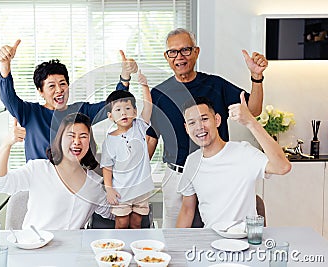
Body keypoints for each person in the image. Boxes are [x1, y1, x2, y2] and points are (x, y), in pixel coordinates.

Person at [146, 28, 268, 228]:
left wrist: (256, 78)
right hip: (176, 175)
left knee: (218, 229)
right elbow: (152, 138)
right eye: (173, 52)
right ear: (166, 56)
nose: (179, 57)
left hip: (215, 172)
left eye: (185, 50)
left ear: (196, 52)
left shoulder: (216, 85)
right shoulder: (159, 93)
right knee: (175, 234)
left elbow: (253, 110)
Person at [0, 39, 137, 161]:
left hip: (75, 182)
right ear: (41, 92)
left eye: (63, 84)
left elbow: (114, 105)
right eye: (51, 86)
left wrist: (125, 76)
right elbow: (7, 98)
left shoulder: (81, 111)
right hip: (41, 184)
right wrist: (5, 65)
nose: (59, 90)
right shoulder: (30, 113)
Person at [176, 94, 291, 228]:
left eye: (204, 119)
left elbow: (282, 167)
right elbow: (187, 210)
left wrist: (251, 122)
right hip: (212, 240)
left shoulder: (243, 152)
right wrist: (174, 243)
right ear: (186, 129)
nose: (199, 127)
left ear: (217, 120)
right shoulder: (192, 162)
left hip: (246, 239)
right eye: (192, 123)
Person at [0, 113, 112, 230]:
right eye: (71, 135)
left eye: (83, 136)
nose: (77, 141)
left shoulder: (95, 183)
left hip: (74, 250)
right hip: (35, 248)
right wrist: (6, 144)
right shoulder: (38, 169)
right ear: (60, 139)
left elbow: (113, 212)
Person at [101, 71, 154, 229]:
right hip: (121, 191)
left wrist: (144, 86)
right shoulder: (109, 140)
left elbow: (148, 106)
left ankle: (134, 251)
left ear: (135, 112)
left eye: (127, 108)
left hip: (141, 190)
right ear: (111, 116)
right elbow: (107, 167)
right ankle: (119, 252)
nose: (123, 113)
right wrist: (109, 190)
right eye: (118, 110)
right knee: (122, 223)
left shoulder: (139, 126)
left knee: (137, 223)